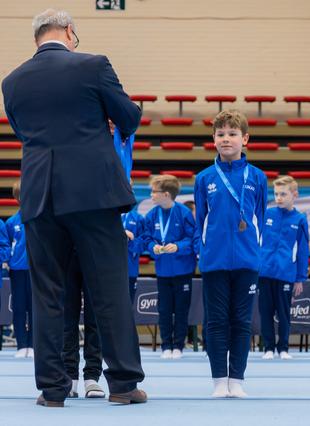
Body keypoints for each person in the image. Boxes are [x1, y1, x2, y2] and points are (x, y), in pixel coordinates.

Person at [1, 9, 145, 407]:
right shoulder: (94, 65)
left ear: (36, 38)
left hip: (40, 195)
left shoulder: (11, 82)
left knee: (47, 292)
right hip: (93, 194)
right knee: (109, 288)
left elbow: (22, 129)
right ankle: (122, 385)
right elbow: (128, 116)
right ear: (69, 31)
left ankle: (52, 388)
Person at [194, 110, 267, 398]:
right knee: (215, 321)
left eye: (233, 134)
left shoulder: (258, 178)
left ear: (245, 139)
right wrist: (206, 252)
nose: (227, 139)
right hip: (214, 261)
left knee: (241, 321)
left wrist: (255, 251)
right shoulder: (204, 178)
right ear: (213, 139)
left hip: (247, 261)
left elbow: (259, 218)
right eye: (221, 134)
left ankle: (236, 379)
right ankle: (218, 379)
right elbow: (201, 221)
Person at [144, 175, 196, 359]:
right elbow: (147, 239)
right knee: (164, 309)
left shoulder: (184, 213)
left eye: (154, 192)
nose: (151, 195)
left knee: (181, 309)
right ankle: (166, 345)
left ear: (166, 194)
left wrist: (178, 246)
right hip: (163, 270)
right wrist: (153, 247)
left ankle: (178, 346)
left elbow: (192, 239)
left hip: (183, 270)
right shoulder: (151, 214)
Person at [258, 176, 308, 360]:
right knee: (266, 313)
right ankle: (268, 348)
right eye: (276, 194)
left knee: (284, 313)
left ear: (294, 195)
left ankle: (283, 348)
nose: (278, 197)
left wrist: (300, 278)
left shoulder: (300, 219)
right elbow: (257, 243)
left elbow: (302, 251)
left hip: (286, 273)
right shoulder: (267, 214)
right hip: (264, 273)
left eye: (283, 194)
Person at [62, 253, 105, 399]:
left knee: (95, 318)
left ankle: (92, 377)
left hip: (94, 249)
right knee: (66, 320)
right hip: (66, 250)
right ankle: (69, 375)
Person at [5, 182, 31, 358]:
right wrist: (8, 261)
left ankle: (33, 344)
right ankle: (21, 345)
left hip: (36, 270)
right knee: (20, 307)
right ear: (17, 198)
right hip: (17, 270)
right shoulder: (11, 222)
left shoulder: (38, 220)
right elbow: (6, 245)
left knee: (35, 309)